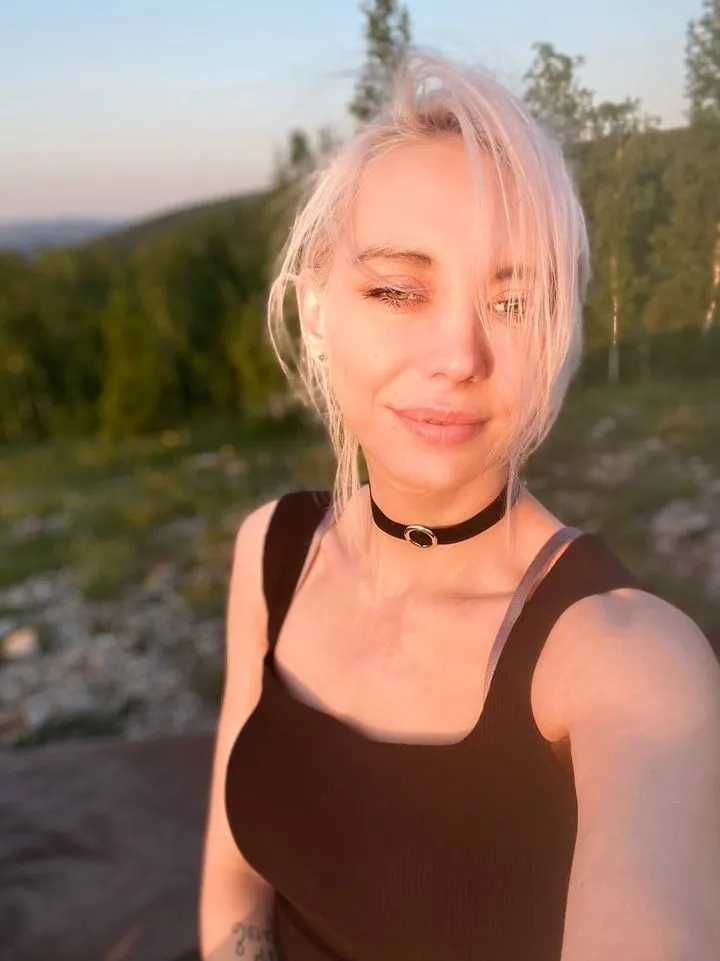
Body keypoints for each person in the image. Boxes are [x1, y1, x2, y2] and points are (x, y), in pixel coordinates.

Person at [199, 52, 720, 961]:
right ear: (317, 308)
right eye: (398, 289)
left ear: (559, 334)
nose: (459, 355)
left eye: (515, 302)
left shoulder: (631, 669)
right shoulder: (274, 553)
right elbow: (237, 879)